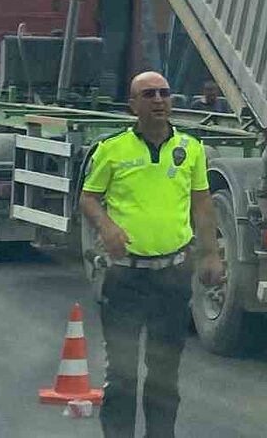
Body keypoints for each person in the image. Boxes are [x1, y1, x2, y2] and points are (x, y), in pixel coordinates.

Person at [80, 71, 224, 438]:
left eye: (164, 93)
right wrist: (107, 228)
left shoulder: (190, 149)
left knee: (164, 376)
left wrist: (210, 255)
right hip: (125, 277)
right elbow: (88, 198)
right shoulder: (111, 150)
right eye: (148, 94)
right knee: (122, 375)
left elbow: (203, 205)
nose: (158, 100)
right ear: (133, 105)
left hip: (171, 278)